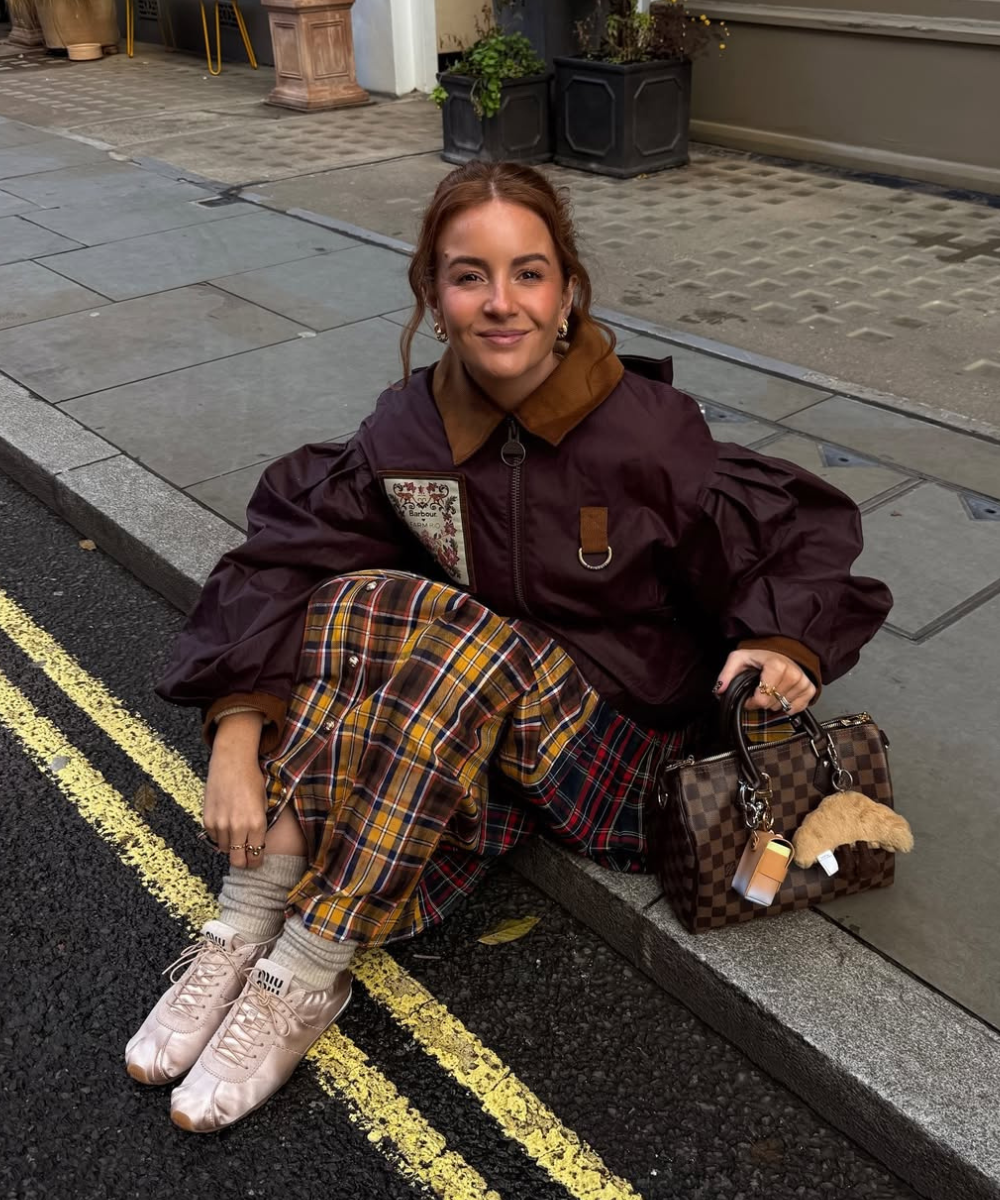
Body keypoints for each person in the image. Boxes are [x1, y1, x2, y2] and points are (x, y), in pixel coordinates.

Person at [125, 160, 891, 1132]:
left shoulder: (648, 435)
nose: (501, 303)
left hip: (620, 752)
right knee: (357, 599)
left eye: (527, 273)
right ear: (431, 297)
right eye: (468, 276)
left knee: (453, 637)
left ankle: (309, 970)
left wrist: (785, 640)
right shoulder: (406, 430)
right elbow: (284, 557)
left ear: (568, 292)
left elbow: (797, 535)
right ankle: (244, 921)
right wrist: (236, 733)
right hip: (467, 729)